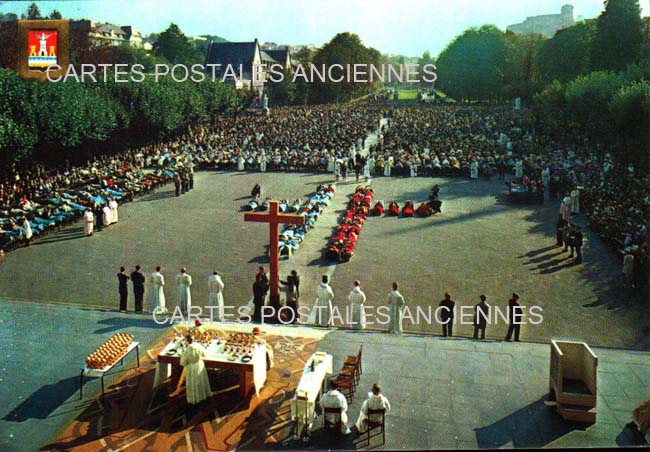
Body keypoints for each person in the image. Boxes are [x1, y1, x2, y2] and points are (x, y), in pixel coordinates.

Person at [180, 335, 212, 405]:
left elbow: (183, 362)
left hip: (191, 367)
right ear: (194, 340)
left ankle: (194, 398)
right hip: (199, 365)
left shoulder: (186, 350)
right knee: (200, 381)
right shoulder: (199, 346)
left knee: (192, 383)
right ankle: (202, 395)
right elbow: (205, 354)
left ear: (187, 341)